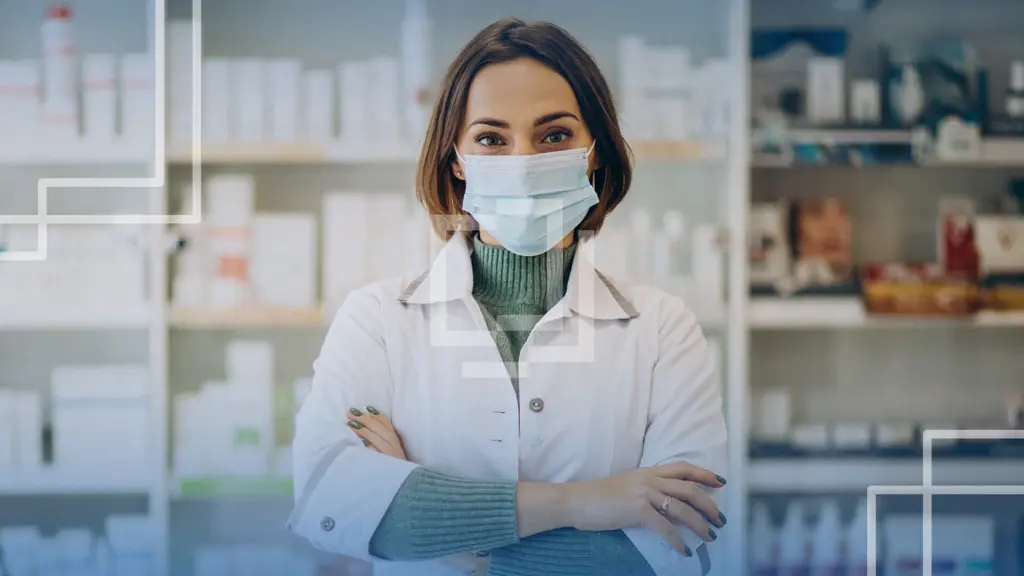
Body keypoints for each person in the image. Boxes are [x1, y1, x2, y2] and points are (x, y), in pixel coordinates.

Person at [287, 17, 728, 576]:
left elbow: (680, 544)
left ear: (594, 150)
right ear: (457, 160)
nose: (522, 162)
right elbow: (332, 507)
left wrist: (431, 520)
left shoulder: (662, 328)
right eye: (492, 139)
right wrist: (589, 503)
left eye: (554, 136)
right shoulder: (376, 319)